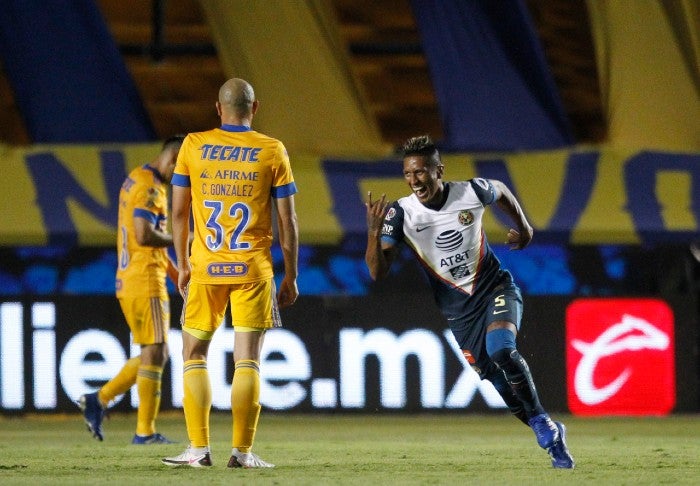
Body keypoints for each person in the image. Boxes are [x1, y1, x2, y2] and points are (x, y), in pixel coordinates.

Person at [364, 135, 575, 469]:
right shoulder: (401, 213)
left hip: (495, 289)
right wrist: (373, 234)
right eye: (408, 174)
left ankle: (543, 426)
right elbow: (377, 272)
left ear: (439, 171)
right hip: (459, 313)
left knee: (502, 349)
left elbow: (501, 190)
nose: (414, 180)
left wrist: (523, 227)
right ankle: (546, 427)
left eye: (421, 172)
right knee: (502, 386)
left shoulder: (470, 192)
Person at [161, 78, 299, 468]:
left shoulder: (194, 145)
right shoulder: (272, 150)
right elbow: (288, 222)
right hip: (254, 269)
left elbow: (177, 213)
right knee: (247, 360)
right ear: (254, 109)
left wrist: (183, 263)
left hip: (206, 268)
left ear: (217, 109)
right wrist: (290, 275)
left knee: (193, 354)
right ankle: (242, 452)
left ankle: (199, 449)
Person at [80, 135, 185, 444]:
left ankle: (99, 400)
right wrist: (183, 240)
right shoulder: (151, 188)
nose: (183, 176)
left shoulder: (136, 177)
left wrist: (176, 271)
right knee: (156, 352)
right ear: (174, 157)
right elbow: (144, 235)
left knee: (154, 352)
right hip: (145, 281)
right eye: (183, 168)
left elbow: (147, 238)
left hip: (133, 278)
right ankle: (143, 431)